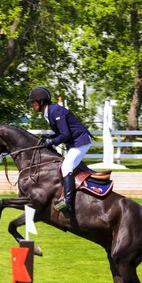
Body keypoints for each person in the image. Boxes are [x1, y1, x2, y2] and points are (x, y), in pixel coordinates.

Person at [28, 86, 92, 219]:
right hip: (74, 142)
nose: (32, 105)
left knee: (66, 167)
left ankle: (67, 203)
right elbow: (60, 134)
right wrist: (48, 140)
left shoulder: (55, 111)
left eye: (33, 102)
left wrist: (50, 142)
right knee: (64, 166)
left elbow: (65, 134)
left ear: (41, 102)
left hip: (81, 141)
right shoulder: (49, 113)